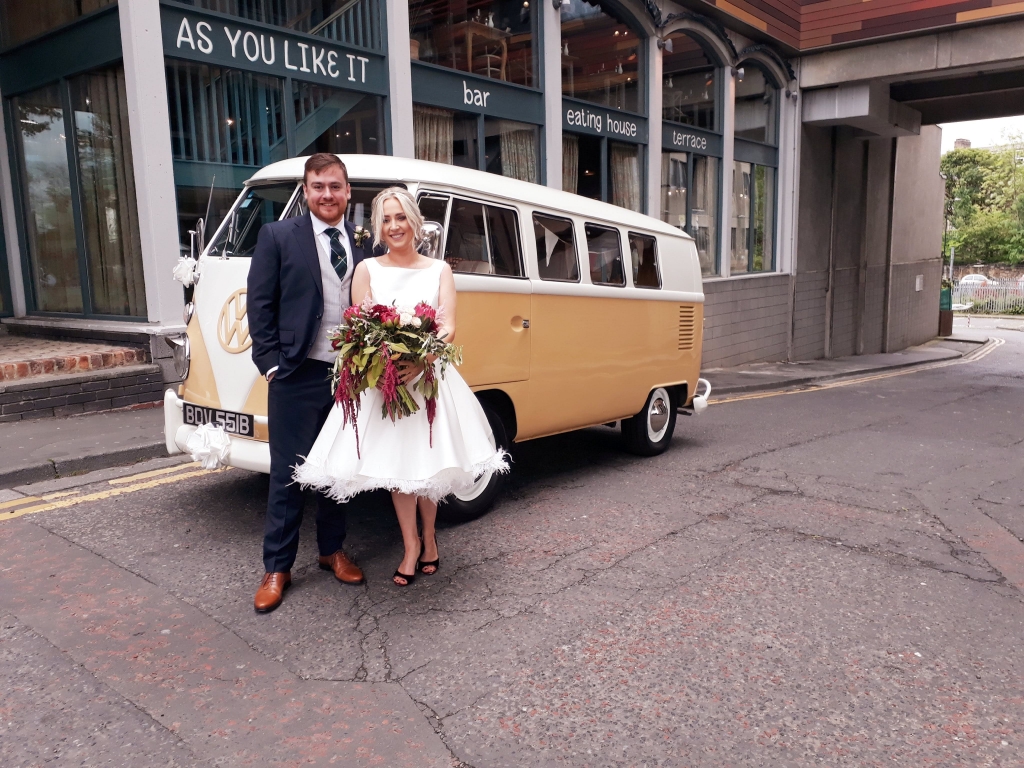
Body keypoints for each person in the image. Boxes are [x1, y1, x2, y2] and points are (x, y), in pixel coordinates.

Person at [293, 188, 508, 586]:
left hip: (427, 381)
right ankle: (410, 545)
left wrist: (422, 357)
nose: (394, 226)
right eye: (386, 220)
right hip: (387, 384)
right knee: (399, 470)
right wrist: (386, 361)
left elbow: (447, 326)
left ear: (414, 222)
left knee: (427, 468)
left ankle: (430, 536)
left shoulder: (439, 270)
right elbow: (359, 327)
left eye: (401, 218)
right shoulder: (367, 270)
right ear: (379, 227)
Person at [246, 153, 373, 613]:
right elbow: (260, 303)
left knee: (337, 470)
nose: (327, 194)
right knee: (289, 475)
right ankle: (277, 567)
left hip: (347, 377)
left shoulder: (364, 243)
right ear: (305, 190)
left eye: (335, 186)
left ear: (347, 192)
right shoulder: (278, 235)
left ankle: (331, 551)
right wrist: (271, 364)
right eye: (318, 186)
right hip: (297, 374)